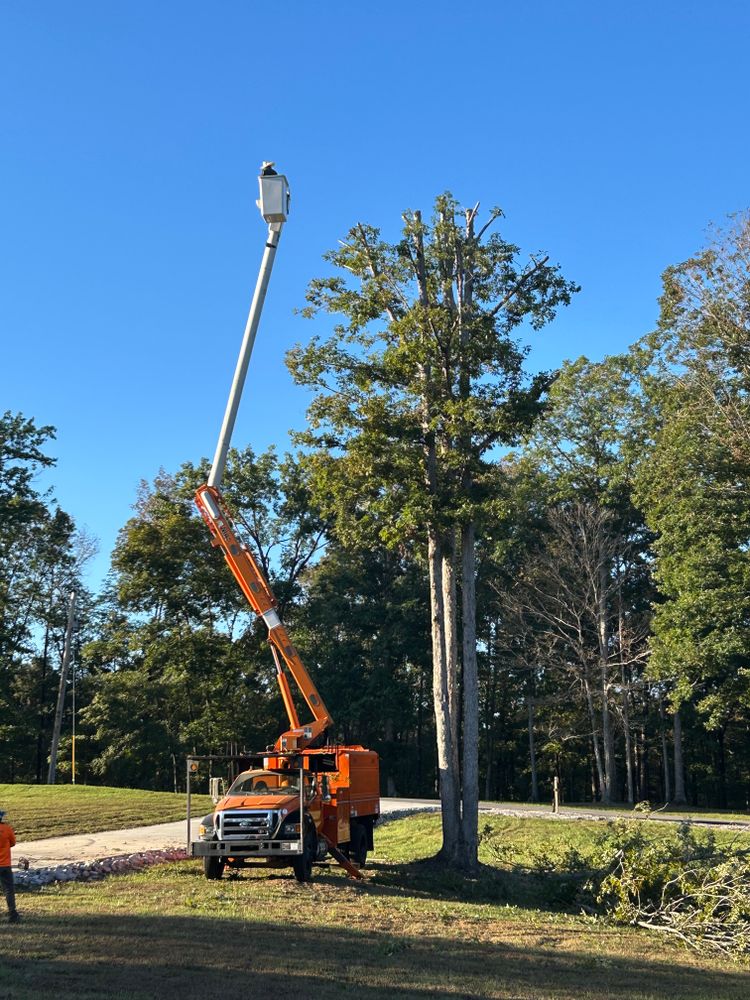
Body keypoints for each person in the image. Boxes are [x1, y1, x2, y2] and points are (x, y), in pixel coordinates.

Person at [0, 809, 20, 924]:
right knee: (8, 890)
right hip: (5, 865)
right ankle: (13, 914)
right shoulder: (7, 829)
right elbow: (13, 843)